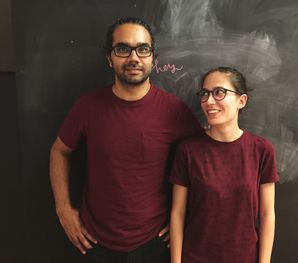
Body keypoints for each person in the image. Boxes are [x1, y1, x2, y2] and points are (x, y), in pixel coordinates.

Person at [49, 17, 202, 263]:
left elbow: (206, 160)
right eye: (123, 49)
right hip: (94, 242)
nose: (134, 58)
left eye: (143, 49)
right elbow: (59, 151)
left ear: (154, 58)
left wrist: (186, 219)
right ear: (110, 58)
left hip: (155, 245)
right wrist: (63, 209)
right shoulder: (87, 106)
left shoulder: (174, 110)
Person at [169, 66, 279, 263]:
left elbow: (267, 213)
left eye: (219, 92)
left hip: (245, 257)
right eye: (205, 94)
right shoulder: (188, 150)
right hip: (196, 257)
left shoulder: (262, 150)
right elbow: (177, 212)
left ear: (241, 100)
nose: (209, 101)